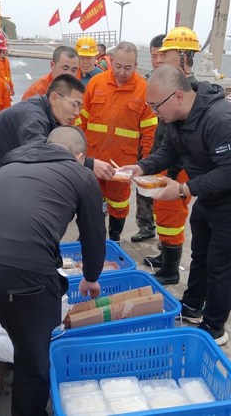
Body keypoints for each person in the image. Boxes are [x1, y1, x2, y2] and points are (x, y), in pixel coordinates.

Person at [0, 126, 105, 416]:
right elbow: (93, 235)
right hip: (21, 273)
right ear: (79, 157)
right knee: (32, 360)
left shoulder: (6, 168)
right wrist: (91, 276)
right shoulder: (80, 174)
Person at [121, 65, 231, 345]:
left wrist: (183, 189)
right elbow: (168, 151)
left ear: (177, 96)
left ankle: (214, 326)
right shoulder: (175, 117)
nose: (154, 113)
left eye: (156, 106)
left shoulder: (219, 118)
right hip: (211, 192)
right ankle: (192, 305)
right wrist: (140, 168)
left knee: (223, 262)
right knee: (201, 252)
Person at [0, 74, 114, 186]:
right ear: (54, 98)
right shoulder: (32, 116)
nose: (77, 112)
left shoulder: (48, 114)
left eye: (80, 107)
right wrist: (89, 164)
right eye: (74, 104)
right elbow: (41, 153)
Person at [77, 41, 157, 242]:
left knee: (119, 204)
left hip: (121, 163)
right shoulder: (97, 83)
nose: (122, 72)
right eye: (118, 66)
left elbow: (149, 133)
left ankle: (114, 239)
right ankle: (87, 237)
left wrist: (146, 164)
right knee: (88, 201)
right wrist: (79, 155)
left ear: (136, 66)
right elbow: (81, 121)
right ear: (111, 61)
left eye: (128, 68)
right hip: (93, 159)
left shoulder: (143, 90)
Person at [142, 27, 201, 285]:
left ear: (184, 56)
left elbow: (184, 138)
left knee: (171, 215)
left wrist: (175, 173)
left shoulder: (189, 90)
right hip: (166, 160)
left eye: (168, 53)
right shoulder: (171, 85)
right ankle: (165, 256)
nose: (161, 58)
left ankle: (171, 269)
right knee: (163, 212)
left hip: (178, 167)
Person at [131, 34, 165, 243]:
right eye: (154, 56)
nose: (157, 60)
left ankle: (166, 241)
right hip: (147, 143)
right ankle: (145, 226)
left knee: (164, 195)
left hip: (166, 144)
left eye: (161, 56)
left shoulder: (177, 82)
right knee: (143, 187)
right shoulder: (147, 81)